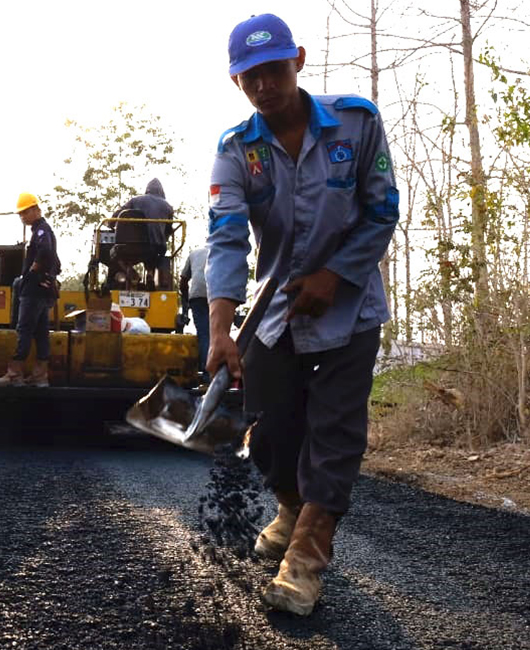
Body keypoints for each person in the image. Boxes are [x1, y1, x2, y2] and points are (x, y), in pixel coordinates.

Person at [205, 14, 398, 615]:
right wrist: (219, 328)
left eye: (273, 69)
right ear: (236, 82)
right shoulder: (236, 150)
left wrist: (336, 276)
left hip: (351, 311)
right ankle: (290, 506)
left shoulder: (356, 122)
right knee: (269, 435)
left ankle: (306, 564)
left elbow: (382, 208)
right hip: (276, 311)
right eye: (249, 76)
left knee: (335, 435)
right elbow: (227, 236)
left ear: (299, 61)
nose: (263, 84)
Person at [0, 192, 59, 388]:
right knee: (40, 333)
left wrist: (31, 274)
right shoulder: (42, 230)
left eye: (25, 212)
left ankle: (14, 375)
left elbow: (45, 252)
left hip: (34, 290)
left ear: (35, 210)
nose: (22, 217)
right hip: (42, 291)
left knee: (24, 330)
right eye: (20, 214)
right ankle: (40, 376)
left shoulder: (41, 231)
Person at [180, 244, 210, 378]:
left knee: (204, 334)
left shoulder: (194, 253)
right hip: (218, 295)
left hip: (197, 296)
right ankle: (215, 370)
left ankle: (206, 372)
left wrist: (186, 301)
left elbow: (183, 281)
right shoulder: (222, 251)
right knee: (217, 333)